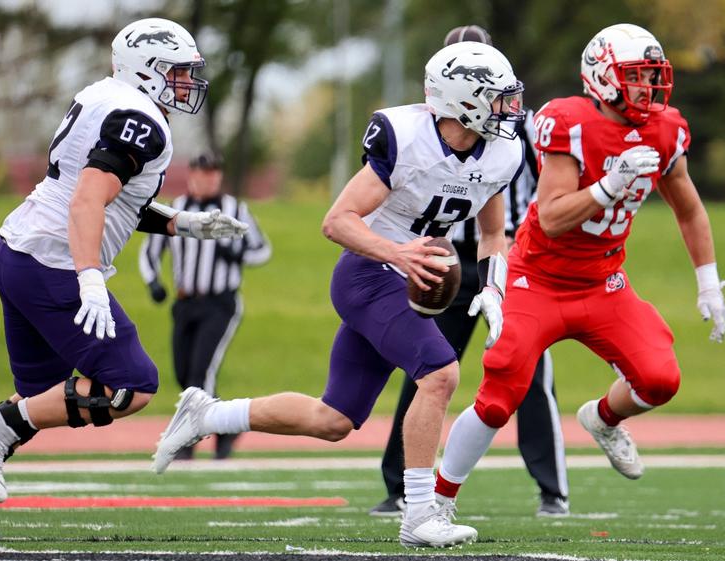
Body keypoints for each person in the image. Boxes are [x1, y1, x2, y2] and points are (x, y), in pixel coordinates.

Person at [152, 40, 527, 548]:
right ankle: (420, 513)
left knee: (333, 419)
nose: (509, 109)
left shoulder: (502, 151)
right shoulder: (407, 138)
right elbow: (337, 221)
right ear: (464, 99)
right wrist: (397, 254)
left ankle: (208, 414)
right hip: (368, 273)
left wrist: (494, 289)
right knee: (440, 374)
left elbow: (493, 234)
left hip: (404, 276)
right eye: (499, 98)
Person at [433, 23, 725, 515]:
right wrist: (610, 185)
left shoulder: (665, 129)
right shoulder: (570, 122)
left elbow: (689, 209)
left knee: (659, 379)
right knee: (499, 395)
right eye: (637, 75)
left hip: (603, 283)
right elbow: (551, 218)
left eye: (653, 75)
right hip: (537, 278)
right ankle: (438, 501)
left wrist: (708, 283)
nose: (648, 86)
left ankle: (604, 419)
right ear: (603, 76)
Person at [0, 18, 248, 502]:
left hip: (17, 249)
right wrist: (89, 277)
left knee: (43, 392)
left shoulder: (102, 95)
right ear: (144, 69)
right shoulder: (142, 120)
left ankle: (3, 430)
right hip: (54, 261)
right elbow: (89, 199)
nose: (186, 83)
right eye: (177, 71)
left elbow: (112, 197)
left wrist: (182, 223)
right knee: (131, 384)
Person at [369, 24, 570, 520]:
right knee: (426, 368)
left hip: (508, 256)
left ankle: (552, 487)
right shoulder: (423, 127)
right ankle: (399, 485)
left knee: (527, 370)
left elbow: (549, 189)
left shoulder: (518, 126)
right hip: (441, 260)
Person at [138, 152, 271, 461]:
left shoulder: (236, 209)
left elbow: (262, 250)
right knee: (183, 373)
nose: (208, 179)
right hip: (185, 302)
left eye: (213, 173)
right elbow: (149, 252)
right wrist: (153, 282)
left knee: (200, 373)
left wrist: (237, 255)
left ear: (219, 177)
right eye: (202, 173)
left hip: (220, 303)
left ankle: (189, 439)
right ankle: (227, 428)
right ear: (192, 175)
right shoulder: (175, 208)